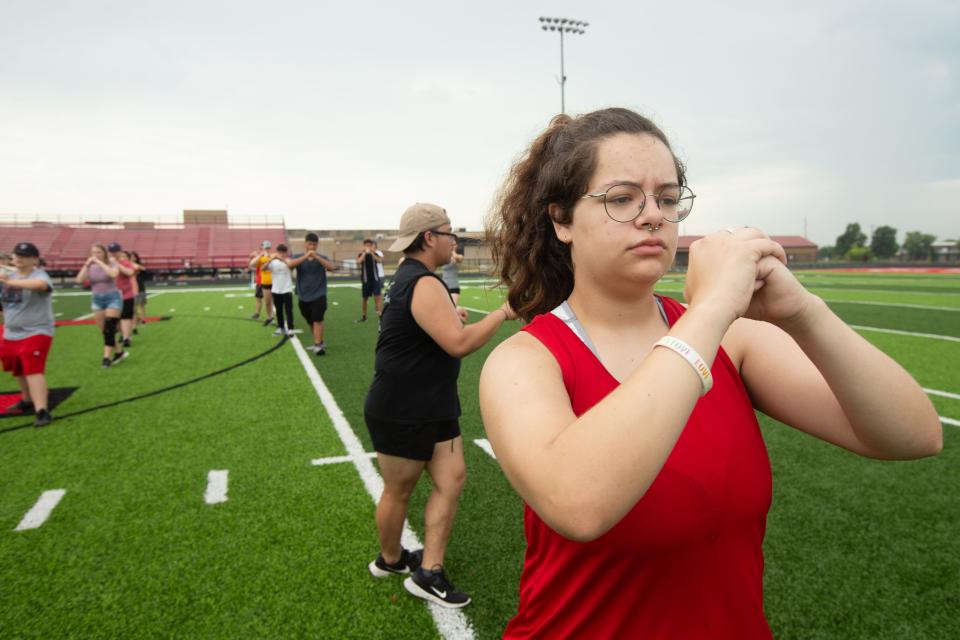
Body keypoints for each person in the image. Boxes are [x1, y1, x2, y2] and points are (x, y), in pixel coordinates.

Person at [478, 108, 943, 638]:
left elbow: (913, 435)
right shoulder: (527, 360)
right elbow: (581, 504)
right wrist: (711, 310)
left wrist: (804, 314)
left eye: (669, 198)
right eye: (622, 198)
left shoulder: (734, 340)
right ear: (561, 220)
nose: (653, 215)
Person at [364, 202, 516, 609]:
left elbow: (424, 327)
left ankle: (429, 571)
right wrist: (503, 311)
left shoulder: (415, 280)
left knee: (453, 480)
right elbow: (459, 343)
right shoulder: (425, 283)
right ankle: (391, 560)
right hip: (402, 407)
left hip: (432, 403)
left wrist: (452, 314)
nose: (455, 241)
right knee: (399, 491)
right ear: (430, 237)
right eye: (450, 233)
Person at [0, 243, 55, 427]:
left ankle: (42, 410)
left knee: (33, 369)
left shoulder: (39, 275)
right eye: (16, 255)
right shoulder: (10, 276)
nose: (19, 258)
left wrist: (9, 281)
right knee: (18, 369)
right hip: (11, 332)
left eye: (24, 255)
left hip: (36, 331)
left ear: (34, 259)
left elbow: (40, 285)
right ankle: (26, 399)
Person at [75, 243, 128, 368]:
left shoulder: (112, 262)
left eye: (98, 252)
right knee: (104, 331)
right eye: (93, 253)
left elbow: (113, 274)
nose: (95, 255)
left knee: (109, 329)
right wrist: (87, 265)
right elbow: (79, 280)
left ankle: (106, 358)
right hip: (97, 299)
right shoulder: (90, 266)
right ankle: (119, 352)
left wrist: (100, 263)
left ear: (104, 253)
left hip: (113, 298)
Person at [289, 232, 339, 355]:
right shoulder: (298, 256)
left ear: (317, 245)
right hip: (303, 295)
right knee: (310, 320)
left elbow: (332, 267)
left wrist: (316, 257)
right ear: (305, 244)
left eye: (314, 244)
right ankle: (319, 341)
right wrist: (306, 256)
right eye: (310, 244)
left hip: (319, 294)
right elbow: (290, 265)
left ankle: (317, 345)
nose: (312, 247)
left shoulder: (322, 257)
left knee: (318, 319)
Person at [108, 244, 138, 348]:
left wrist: (116, 264)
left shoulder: (126, 263)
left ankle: (126, 338)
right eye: (111, 251)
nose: (113, 253)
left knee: (125, 317)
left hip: (126, 294)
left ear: (120, 252)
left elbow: (129, 272)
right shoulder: (107, 263)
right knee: (116, 318)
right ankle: (122, 334)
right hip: (112, 295)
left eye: (115, 251)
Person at [262, 244, 296, 337]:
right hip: (276, 290)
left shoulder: (288, 261)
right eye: (279, 252)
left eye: (283, 253)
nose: (281, 254)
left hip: (287, 289)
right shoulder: (273, 262)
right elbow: (263, 268)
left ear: (286, 253)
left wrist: (282, 259)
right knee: (279, 311)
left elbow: (291, 266)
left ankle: (290, 329)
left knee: (289, 311)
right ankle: (280, 327)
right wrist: (271, 259)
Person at [355, 238, 383, 322]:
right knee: (365, 299)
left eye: (369, 245)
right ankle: (364, 316)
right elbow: (359, 262)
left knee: (377, 297)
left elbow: (380, 260)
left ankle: (381, 316)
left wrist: (371, 252)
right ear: (364, 246)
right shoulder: (361, 254)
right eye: (366, 245)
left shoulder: (375, 253)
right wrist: (364, 253)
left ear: (372, 246)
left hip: (375, 279)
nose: (368, 247)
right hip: (366, 280)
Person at [249, 241, 275, 325]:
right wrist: (257, 256)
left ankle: (271, 316)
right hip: (261, 281)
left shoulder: (271, 256)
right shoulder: (259, 257)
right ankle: (259, 314)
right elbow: (252, 265)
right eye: (263, 247)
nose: (264, 249)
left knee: (270, 301)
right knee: (260, 298)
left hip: (269, 281)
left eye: (267, 247)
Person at [130, 251, 148, 332]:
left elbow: (145, 271)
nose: (132, 258)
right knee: (133, 307)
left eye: (134, 256)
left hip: (140, 287)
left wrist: (138, 267)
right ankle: (137, 319)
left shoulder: (139, 265)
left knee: (141, 304)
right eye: (131, 256)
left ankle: (143, 320)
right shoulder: (127, 265)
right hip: (130, 288)